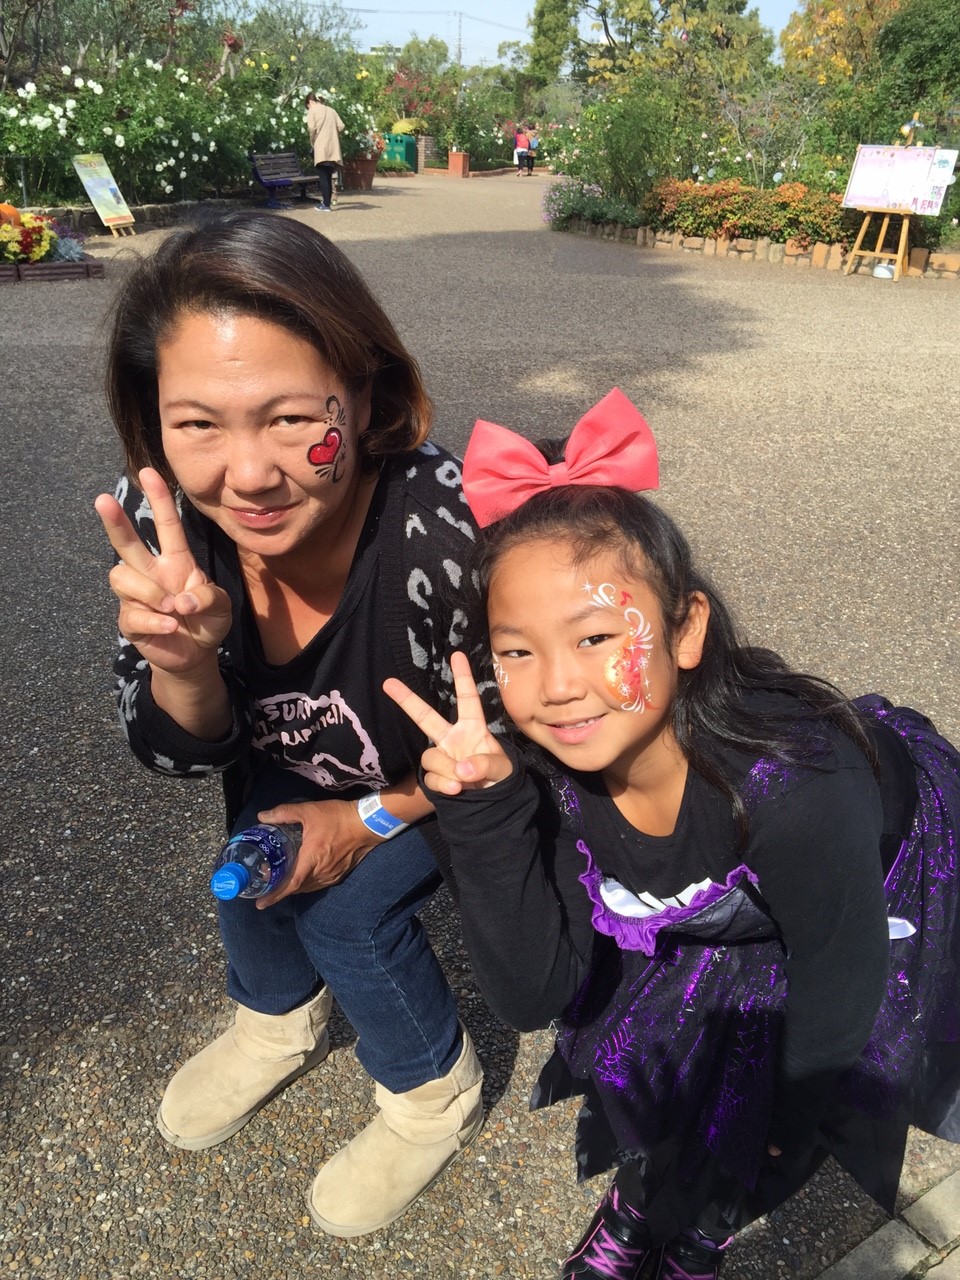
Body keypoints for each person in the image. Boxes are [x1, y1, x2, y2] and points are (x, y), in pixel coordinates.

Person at [385, 389, 960, 1279]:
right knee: (661, 1066)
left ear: (685, 629)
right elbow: (537, 994)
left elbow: (841, 982)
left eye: (595, 636)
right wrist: (484, 811)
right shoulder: (548, 773)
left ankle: (707, 1226)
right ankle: (641, 1204)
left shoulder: (796, 788)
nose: (557, 686)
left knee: (779, 1101)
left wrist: (784, 1125)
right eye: (518, 651)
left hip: (864, 885)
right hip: (724, 891)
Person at [94, 210, 484, 1240]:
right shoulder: (166, 527)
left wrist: (367, 820)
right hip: (294, 771)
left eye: (288, 419)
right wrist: (183, 663)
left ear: (365, 396)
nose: (249, 475)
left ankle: (432, 1090)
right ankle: (274, 1022)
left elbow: (532, 733)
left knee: (346, 915)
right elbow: (178, 750)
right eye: (198, 424)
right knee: (250, 856)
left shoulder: (448, 529)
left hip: (448, 781)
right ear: (153, 421)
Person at [305, 91, 344, 212]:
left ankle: (326, 205)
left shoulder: (313, 111)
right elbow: (341, 126)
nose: (308, 108)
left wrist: (312, 140)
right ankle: (326, 203)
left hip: (321, 146)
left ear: (311, 102)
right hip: (333, 147)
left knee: (322, 176)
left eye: (308, 106)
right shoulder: (332, 111)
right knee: (328, 175)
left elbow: (312, 128)